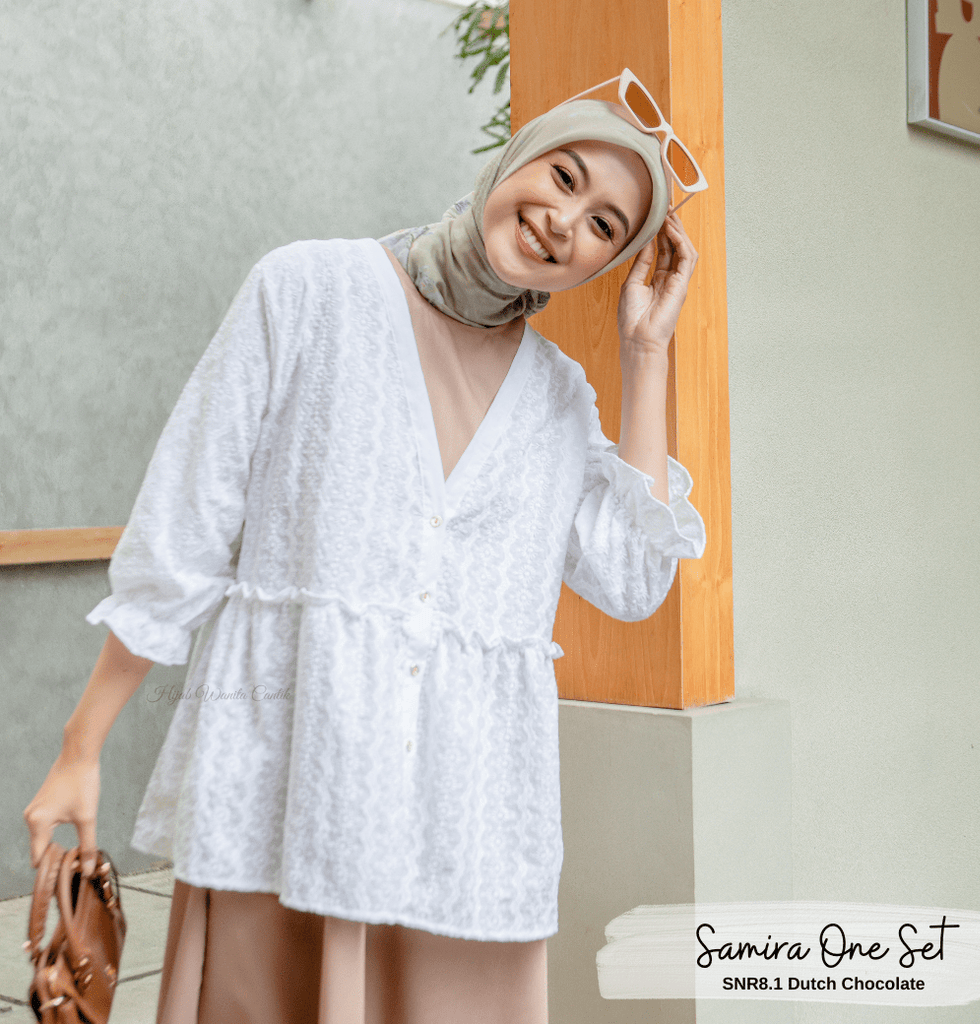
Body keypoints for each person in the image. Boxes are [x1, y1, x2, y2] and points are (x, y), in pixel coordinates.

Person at [23, 73, 707, 1024]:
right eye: (563, 176)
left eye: (604, 226)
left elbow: (633, 578)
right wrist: (81, 745)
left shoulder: (557, 399)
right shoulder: (309, 290)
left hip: (464, 842)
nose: (564, 220)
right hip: (293, 804)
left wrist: (645, 356)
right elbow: (181, 537)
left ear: (607, 265)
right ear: (515, 157)